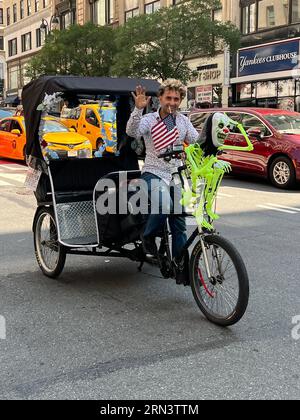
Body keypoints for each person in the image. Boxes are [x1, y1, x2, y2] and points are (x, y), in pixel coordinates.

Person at [126, 79, 199, 284]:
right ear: (160, 98)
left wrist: (216, 136)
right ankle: (147, 236)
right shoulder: (150, 119)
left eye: (176, 99)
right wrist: (138, 110)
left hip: (175, 175)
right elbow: (132, 132)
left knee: (179, 224)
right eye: (168, 97)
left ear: (181, 100)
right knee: (164, 204)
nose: (172, 102)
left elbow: (196, 141)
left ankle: (181, 268)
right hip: (153, 172)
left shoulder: (182, 121)